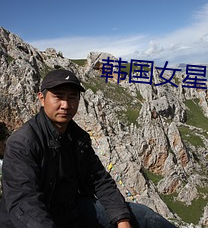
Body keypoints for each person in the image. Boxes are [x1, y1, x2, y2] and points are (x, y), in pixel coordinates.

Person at [0, 69, 177, 228]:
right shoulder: (23, 143)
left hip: (70, 210)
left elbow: (100, 180)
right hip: (28, 220)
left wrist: (122, 219)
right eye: (58, 96)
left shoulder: (78, 138)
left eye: (72, 97)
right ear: (41, 98)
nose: (65, 105)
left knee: (144, 217)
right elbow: (25, 203)